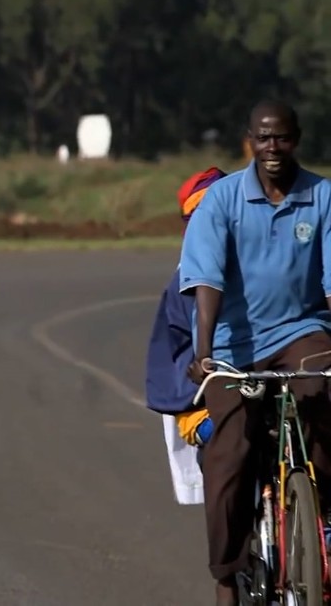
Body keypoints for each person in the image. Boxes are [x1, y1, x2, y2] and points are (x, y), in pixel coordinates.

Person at [180, 100, 331, 606]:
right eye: (263, 138)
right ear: (249, 139)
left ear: (297, 139)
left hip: (301, 331)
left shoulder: (323, 195)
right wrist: (204, 352)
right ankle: (227, 570)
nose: (272, 148)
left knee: (321, 397)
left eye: (282, 138)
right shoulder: (221, 200)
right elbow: (205, 279)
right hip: (233, 344)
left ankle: (321, 523)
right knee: (230, 452)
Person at [143, 167, 226, 506]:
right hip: (205, 403)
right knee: (233, 451)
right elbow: (173, 371)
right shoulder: (183, 285)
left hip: (269, 384)